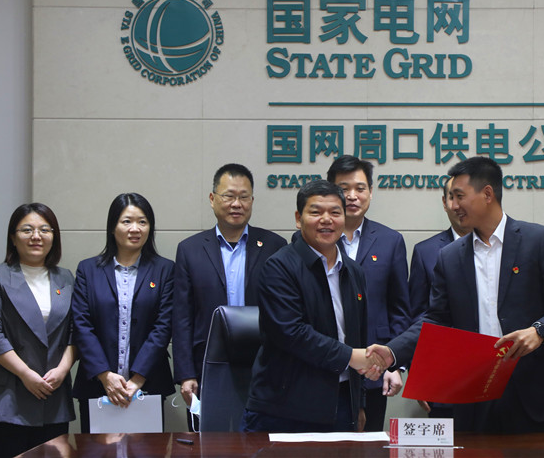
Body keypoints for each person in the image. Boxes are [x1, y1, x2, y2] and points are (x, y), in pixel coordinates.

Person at [371, 156, 544, 434]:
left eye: (460, 196)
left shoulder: (537, 241)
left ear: (487, 194)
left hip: (532, 394)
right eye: (451, 198)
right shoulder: (449, 257)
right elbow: (435, 320)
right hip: (473, 394)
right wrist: (392, 351)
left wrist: (539, 331)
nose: (453, 205)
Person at [242, 180, 384, 432]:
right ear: (299, 219)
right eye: (316, 212)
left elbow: (358, 336)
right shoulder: (279, 267)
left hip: (342, 403)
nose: (326, 220)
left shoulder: (353, 271)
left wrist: (359, 403)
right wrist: (351, 357)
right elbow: (292, 333)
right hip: (285, 409)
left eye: (335, 212)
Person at [172, 163, 286, 424]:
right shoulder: (190, 250)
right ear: (212, 199)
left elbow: (283, 311)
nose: (237, 204)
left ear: (252, 201)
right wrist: (186, 374)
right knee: (210, 440)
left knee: (260, 439)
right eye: (229, 196)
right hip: (207, 365)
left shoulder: (274, 246)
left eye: (244, 197)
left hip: (263, 365)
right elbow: (182, 318)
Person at [0, 203, 76, 458]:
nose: (36, 236)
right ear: (13, 237)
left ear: (54, 236)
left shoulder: (66, 278)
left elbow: (77, 330)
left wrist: (63, 369)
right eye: (27, 230)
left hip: (52, 396)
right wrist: (26, 374)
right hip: (5, 399)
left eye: (44, 230)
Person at [71, 193, 174, 432]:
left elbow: (164, 326)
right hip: (97, 386)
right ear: (112, 226)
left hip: (148, 386)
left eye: (142, 222)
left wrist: (137, 379)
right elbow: (82, 325)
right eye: (127, 221)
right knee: (96, 450)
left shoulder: (165, 269)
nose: (135, 228)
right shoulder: (88, 269)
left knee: (147, 450)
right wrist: (105, 376)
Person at [326, 155, 410, 431]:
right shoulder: (317, 238)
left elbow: (400, 309)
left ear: (370, 192)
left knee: (370, 442)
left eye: (360, 188)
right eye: (344, 188)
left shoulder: (390, 241)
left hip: (376, 366)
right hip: (327, 368)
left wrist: (395, 364)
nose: (352, 196)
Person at [408, 177, 470, 418]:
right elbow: (418, 316)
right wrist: (419, 373)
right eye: (452, 197)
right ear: (444, 203)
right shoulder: (426, 251)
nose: (458, 204)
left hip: (494, 370)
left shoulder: (502, 247)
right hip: (443, 375)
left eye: (464, 196)